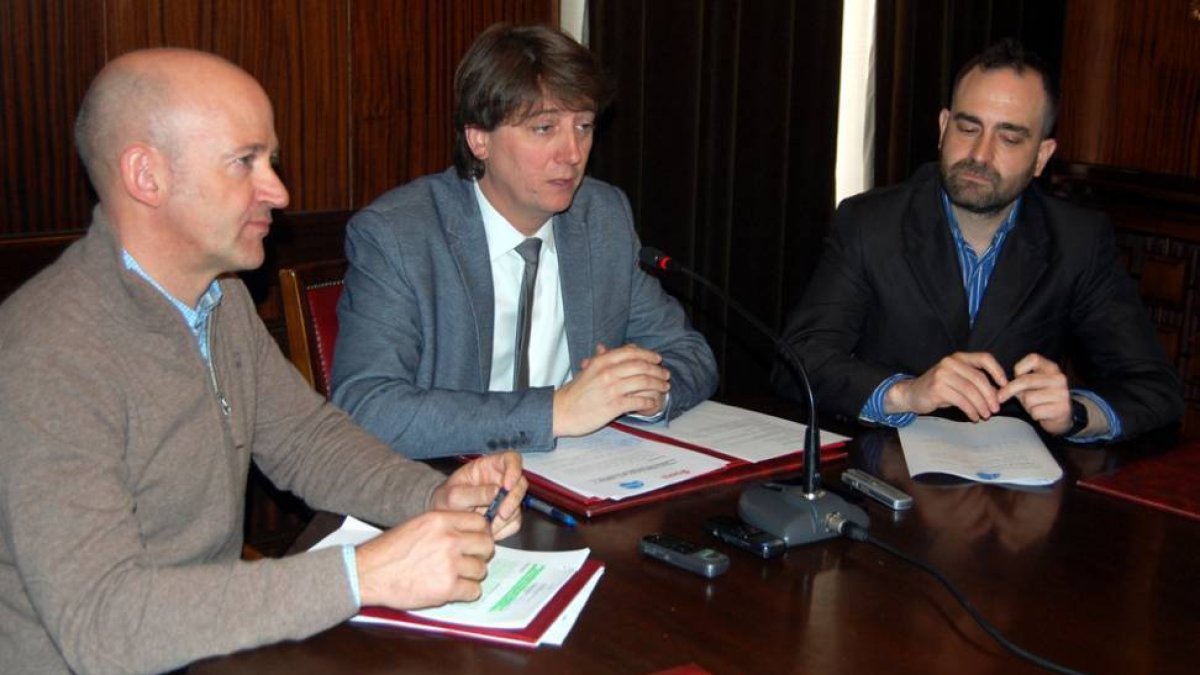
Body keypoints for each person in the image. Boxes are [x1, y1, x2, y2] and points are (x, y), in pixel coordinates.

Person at [0, 48, 527, 675]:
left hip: (206, 646)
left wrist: (432, 495)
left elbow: (304, 442)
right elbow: (105, 624)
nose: (277, 190)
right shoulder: (47, 355)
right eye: (244, 161)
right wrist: (363, 575)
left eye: (270, 161)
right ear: (146, 175)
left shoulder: (218, 298)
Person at [331, 23, 719, 459]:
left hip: (582, 476)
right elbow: (367, 408)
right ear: (479, 139)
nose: (572, 153)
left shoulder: (602, 217)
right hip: (449, 482)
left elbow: (688, 353)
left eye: (584, 126)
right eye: (544, 128)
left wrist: (649, 393)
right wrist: (555, 412)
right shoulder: (398, 236)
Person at [776, 38, 1181, 441]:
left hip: (1015, 474)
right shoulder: (870, 223)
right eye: (968, 128)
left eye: (1009, 138)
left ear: (1042, 156)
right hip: (884, 462)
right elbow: (799, 362)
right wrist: (905, 393)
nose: (980, 155)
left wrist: (1075, 414)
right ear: (942, 128)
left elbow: (1155, 390)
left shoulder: (1078, 241)